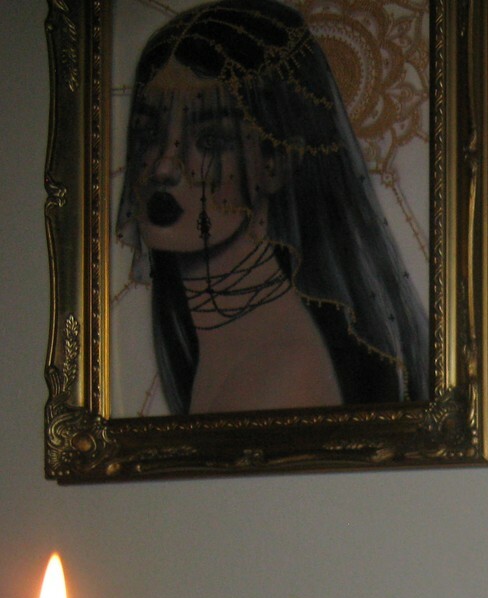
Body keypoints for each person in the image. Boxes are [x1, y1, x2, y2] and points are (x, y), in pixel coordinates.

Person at [115, 0, 429, 414]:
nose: (164, 167)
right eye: (147, 132)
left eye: (210, 141)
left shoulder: (284, 369)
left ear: (277, 162)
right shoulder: (224, 342)